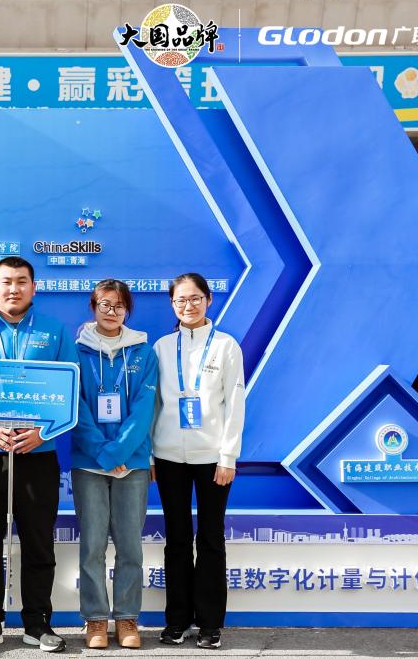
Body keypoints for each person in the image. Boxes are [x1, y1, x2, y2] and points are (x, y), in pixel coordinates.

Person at [0, 256, 77, 654]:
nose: (14, 288)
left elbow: (71, 391)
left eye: (22, 281)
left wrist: (43, 432)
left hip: (38, 451)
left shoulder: (54, 331)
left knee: (39, 541)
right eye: (7, 281)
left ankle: (37, 623)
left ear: (34, 287)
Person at [152, 272, 244, 650]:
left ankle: (209, 624)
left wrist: (228, 456)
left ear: (208, 300)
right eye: (180, 300)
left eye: (195, 299)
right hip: (168, 456)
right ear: (172, 304)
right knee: (176, 538)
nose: (188, 306)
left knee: (210, 538)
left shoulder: (225, 346)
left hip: (212, 459)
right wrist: (151, 453)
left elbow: (235, 403)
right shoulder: (161, 347)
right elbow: (154, 403)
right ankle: (177, 621)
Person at [71, 279, 158, 649]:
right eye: (105, 304)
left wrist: (119, 453)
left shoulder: (144, 352)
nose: (112, 311)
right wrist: (104, 454)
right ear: (93, 307)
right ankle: (94, 619)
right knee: (91, 545)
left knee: (130, 546)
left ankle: (126, 618)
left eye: (119, 305)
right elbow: (75, 407)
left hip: (132, 464)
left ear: (127, 310)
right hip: (89, 463)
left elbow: (144, 409)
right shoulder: (75, 351)